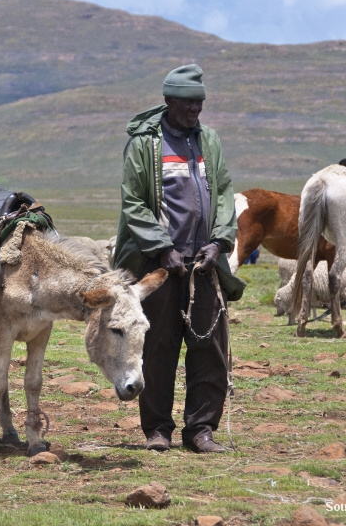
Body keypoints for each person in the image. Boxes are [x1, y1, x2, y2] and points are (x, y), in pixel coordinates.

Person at [113, 64, 246, 453]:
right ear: (169, 101)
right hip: (160, 265)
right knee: (158, 348)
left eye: (200, 103)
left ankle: (201, 430)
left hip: (203, 263)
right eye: (188, 103)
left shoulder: (210, 140)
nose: (195, 110)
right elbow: (134, 202)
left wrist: (220, 241)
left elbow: (223, 191)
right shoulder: (145, 144)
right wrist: (161, 246)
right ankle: (157, 430)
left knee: (210, 348)